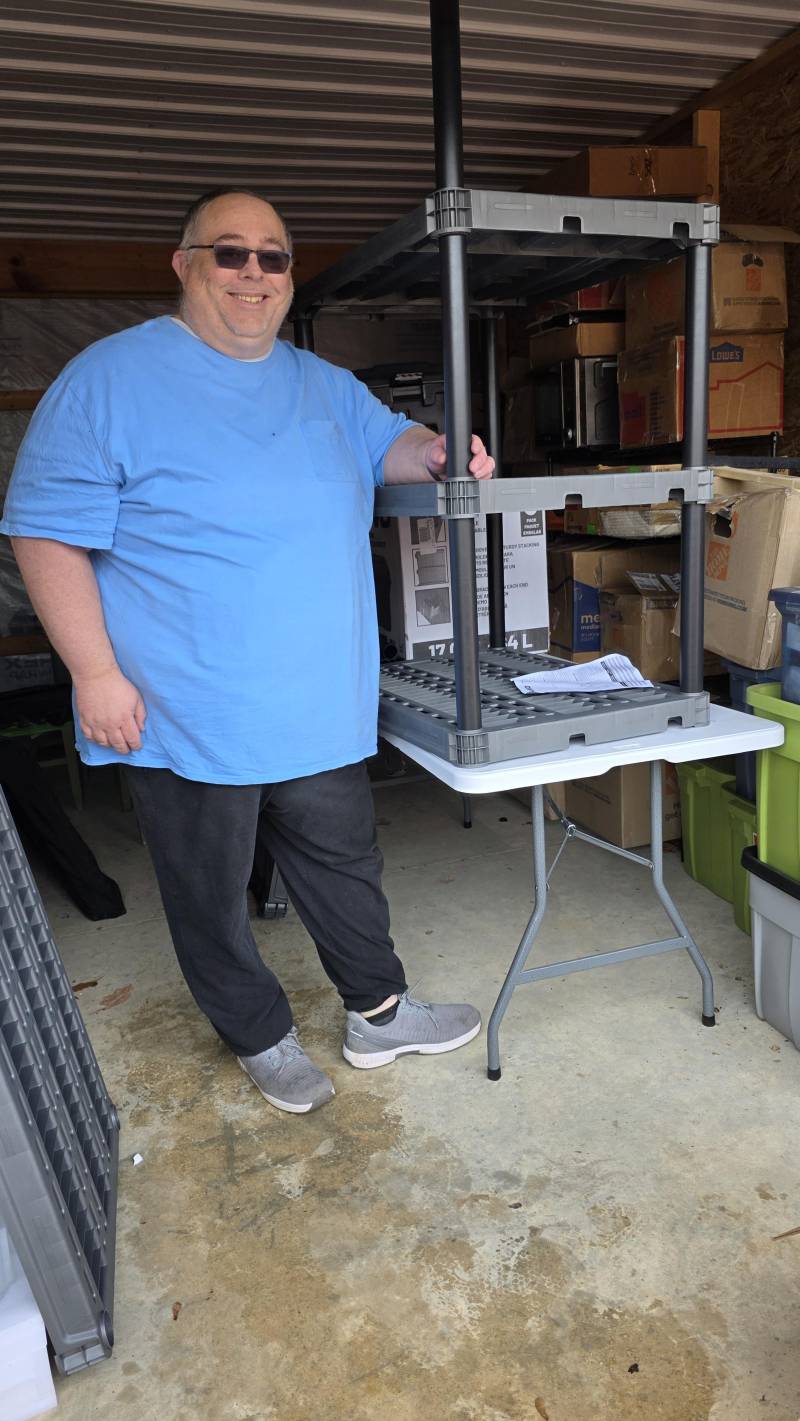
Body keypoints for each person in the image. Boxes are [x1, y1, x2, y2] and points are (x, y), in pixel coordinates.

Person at [2, 187, 495, 1115]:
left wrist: (437, 451)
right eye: (230, 252)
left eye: (274, 256)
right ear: (183, 264)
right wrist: (95, 674)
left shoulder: (321, 384)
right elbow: (44, 533)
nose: (254, 273)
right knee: (209, 890)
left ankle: (379, 1012)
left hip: (317, 701)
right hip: (187, 707)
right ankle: (260, 1034)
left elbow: (393, 446)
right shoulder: (106, 380)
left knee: (345, 866)